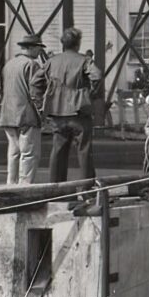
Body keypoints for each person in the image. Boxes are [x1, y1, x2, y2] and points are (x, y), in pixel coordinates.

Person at [42, 28, 98, 183]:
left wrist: (44, 98)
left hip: (57, 112)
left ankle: (56, 189)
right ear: (78, 44)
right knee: (84, 151)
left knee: (58, 151)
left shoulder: (52, 61)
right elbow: (97, 75)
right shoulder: (84, 60)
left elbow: (36, 81)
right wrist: (90, 92)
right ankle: (87, 189)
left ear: (62, 43)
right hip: (78, 111)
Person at [0, 36, 48, 183]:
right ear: (31, 47)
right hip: (26, 114)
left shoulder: (9, 64)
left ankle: (10, 184)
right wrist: (42, 111)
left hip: (7, 114)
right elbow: (35, 91)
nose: (40, 51)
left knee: (13, 151)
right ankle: (25, 185)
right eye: (39, 47)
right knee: (29, 153)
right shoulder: (32, 65)